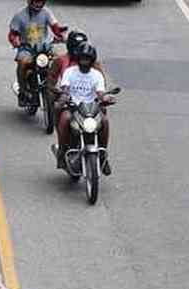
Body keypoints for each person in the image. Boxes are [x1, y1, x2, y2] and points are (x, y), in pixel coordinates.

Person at [53, 43, 114, 175]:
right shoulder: (70, 72)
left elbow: (100, 93)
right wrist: (63, 98)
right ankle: (62, 151)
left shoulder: (96, 75)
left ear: (91, 60)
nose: (84, 61)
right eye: (82, 58)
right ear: (77, 59)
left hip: (91, 110)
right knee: (65, 118)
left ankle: (103, 155)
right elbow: (65, 89)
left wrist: (106, 98)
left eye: (87, 59)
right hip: (74, 108)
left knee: (104, 121)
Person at [8, 0, 66, 106]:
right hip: (26, 49)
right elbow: (12, 34)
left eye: (41, 1)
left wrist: (62, 35)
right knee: (22, 63)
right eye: (36, 1)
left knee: (60, 60)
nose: (39, 4)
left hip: (44, 48)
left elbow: (56, 28)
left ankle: (62, 87)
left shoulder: (46, 13)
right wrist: (15, 40)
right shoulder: (20, 15)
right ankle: (23, 90)